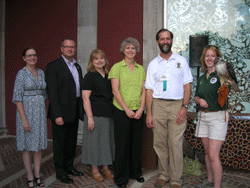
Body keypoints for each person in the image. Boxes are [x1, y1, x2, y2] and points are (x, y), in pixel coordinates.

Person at [145, 28, 193, 188]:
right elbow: (149, 90)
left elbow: (187, 86)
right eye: (162, 39)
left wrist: (184, 107)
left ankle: (175, 180)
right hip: (158, 105)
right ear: (158, 41)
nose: (165, 41)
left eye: (167, 38)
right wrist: (149, 113)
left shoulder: (181, 61)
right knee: (159, 143)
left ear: (171, 40)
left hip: (177, 106)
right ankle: (164, 174)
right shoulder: (153, 64)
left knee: (175, 143)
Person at [45, 38, 84, 184]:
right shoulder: (53, 66)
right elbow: (52, 93)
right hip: (60, 113)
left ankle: (69, 167)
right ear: (61, 49)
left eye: (72, 47)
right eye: (67, 47)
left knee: (71, 142)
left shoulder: (77, 66)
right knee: (60, 144)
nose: (70, 49)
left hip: (74, 112)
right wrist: (57, 115)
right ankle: (60, 172)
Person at [108, 37, 146, 188]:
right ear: (123, 50)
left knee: (136, 144)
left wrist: (142, 108)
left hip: (138, 110)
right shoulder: (116, 68)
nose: (131, 50)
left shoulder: (141, 69)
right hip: (121, 111)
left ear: (136, 51)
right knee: (122, 145)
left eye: (133, 48)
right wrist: (127, 109)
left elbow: (144, 90)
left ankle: (135, 172)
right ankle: (121, 177)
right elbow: (115, 90)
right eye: (128, 48)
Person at [12, 47, 47, 188]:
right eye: (29, 55)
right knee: (27, 146)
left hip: (39, 114)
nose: (32, 57)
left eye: (34, 55)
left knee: (38, 146)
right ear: (24, 58)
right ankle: (29, 175)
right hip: (26, 113)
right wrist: (24, 120)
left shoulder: (41, 72)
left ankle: (37, 173)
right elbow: (17, 99)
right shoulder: (21, 74)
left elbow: (44, 94)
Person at [194, 45, 227, 188]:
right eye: (207, 56)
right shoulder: (201, 78)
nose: (209, 58)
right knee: (207, 152)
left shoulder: (222, 76)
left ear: (217, 58)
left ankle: (217, 186)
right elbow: (196, 96)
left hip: (218, 117)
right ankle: (210, 180)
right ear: (204, 59)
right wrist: (199, 100)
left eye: (212, 55)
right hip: (203, 117)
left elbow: (224, 95)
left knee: (213, 155)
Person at [81, 49, 114, 182]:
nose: (99, 61)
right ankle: (95, 169)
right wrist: (90, 118)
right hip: (94, 114)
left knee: (106, 142)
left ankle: (105, 168)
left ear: (105, 60)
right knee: (94, 143)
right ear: (92, 62)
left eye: (102, 58)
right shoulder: (90, 76)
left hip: (107, 114)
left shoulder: (108, 75)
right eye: (96, 59)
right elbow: (85, 97)